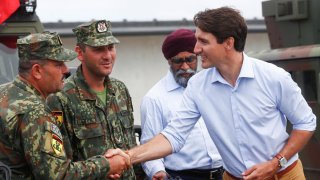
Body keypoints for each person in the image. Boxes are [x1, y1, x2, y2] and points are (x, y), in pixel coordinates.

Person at [106, 7, 317, 180]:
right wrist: (127, 157)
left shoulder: (274, 78)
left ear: (228, 43)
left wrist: (276, 162)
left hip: (284, 175)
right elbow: (173, 136)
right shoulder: (198, 85)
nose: (196, 49)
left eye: (203, 41)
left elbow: (306, 122)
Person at [0, 32, 129, 179]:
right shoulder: (35, 113)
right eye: (58, 64)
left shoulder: (4, 93)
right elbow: (58, 175)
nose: (66, 70)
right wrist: (107, 165)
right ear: (37, 71)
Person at [46, 20, 144, 179]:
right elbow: (58, 164)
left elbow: (130, 144)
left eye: (111, 48)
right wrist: (103, 170)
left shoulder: (120, 90)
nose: (107, 56)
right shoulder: (59, 98)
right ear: (80, 53)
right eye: (98, 49)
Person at [140, 29, 223, 180]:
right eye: (179, 61)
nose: (185, 67)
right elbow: (149, 146)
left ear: (197, 57)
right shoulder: (154, 98)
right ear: (169, 61)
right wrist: (157, 172)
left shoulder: (212, 86)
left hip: (224, 174)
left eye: (190, 59)